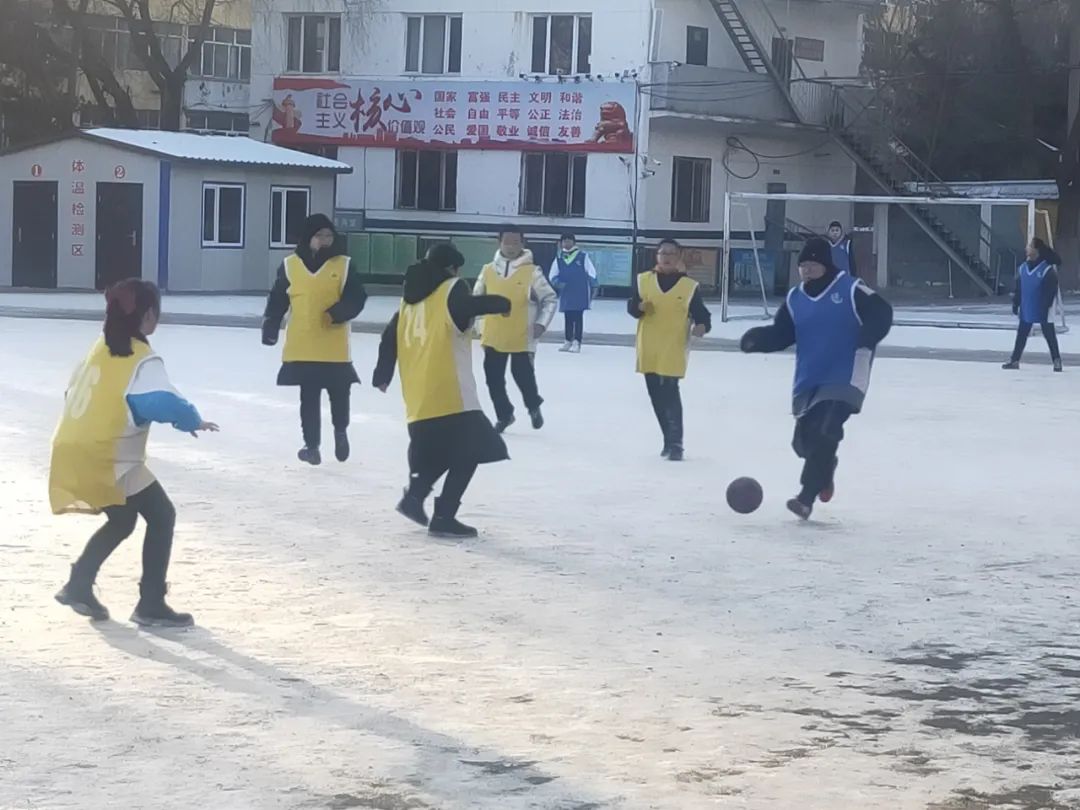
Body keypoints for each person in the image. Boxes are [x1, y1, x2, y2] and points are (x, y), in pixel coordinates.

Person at [50, 279, 218, 626]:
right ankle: (150, 603)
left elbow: (72, 393)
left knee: (124, 519)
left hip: (73, 445)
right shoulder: (141, 360)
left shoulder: (100, 348)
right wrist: (191, 420)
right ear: (148, 316)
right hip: (110, 455)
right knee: (162, 515)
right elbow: (160, 401)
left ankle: (79, 584)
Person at [740, 237, 892, 520]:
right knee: (804, 444)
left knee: (827, 428)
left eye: (813, 264)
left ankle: (805, 498)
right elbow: (783, 333)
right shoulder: (795, 299)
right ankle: (825, 469)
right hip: (811, 377)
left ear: (825, 265)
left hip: (846, 374)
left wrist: (867, 336)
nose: (807, 270)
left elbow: (882, 312)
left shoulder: (851, 288)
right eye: (803, 265)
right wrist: (757, 340)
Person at [373, 244, 512, 538]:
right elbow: (468, 307)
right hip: (452, 395)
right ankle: (444, 515)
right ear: (452, 268)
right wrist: (502, 303)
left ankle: (415, 498)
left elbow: (389, 339)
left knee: (444, 454)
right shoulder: (451, 288)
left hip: (419, 398)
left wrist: (382, 373)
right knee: (475, 449)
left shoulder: (408, 302)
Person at [262, 214, 368, 465]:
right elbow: (278, 298)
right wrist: (271, 324)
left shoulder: (343, 265)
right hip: (303, 345)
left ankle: (340, 432)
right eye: (319, 236)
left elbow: (357, 297)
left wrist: (338, 314)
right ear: (308, 238)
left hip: (333, 346)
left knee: (339, 394)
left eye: (329, 236)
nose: (325, 241)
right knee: (309, 399)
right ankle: (312, 446)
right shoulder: (290, 265)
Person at [628, 239, 712, 461]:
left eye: (671, 254)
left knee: (671, 392)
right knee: (656, 395)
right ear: (657, 256)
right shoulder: (644, 281)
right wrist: (638, 307)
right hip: (650, 346)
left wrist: (702, 326)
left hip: (673, 346)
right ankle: (667, 438)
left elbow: (702, 315)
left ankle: (676, 443)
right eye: (662, 253)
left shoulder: (688, 287)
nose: (666, 257)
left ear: (679, 257)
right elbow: (632, 307)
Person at [473, 225, 557, 433]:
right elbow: (476, 301)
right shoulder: (488, 270)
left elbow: (550, 299)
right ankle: (504, 414)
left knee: (523, 375)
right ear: (499, 242)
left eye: (515, 242)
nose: (511, 247)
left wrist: (541, 324)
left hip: (522, 335)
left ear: (523, 243)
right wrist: (478, 325)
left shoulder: (532, 272)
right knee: (493, 379)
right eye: (507, 241)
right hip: (493, 334)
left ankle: (533, 406)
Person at [1003, 238, 1063, 372]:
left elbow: (1051, 290)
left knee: (1049, 334)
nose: (1026, 248)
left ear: (1036, 250)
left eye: (1029, 246)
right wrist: (1016, 303)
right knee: (1022, 334)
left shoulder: (1047, 270)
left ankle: (1057, 360)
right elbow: (1019, 289)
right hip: (1027, 306)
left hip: (1042, 307)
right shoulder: (1023, 268)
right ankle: (1015, 360)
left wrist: (1046, 305)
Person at [549, 233, 597, 353]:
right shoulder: (559, 258)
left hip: (580, 291)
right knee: (568, 317)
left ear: (574, 243)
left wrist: (594, 284)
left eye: (569, 241)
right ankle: (567, 340)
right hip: (566, 292)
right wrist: (557, 283)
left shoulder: (582, 256)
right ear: (561, 243)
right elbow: (552, 274)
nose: (567, 243)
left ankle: (577, 342)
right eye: (564, 241)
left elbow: (591, 272)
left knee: (578, 317)